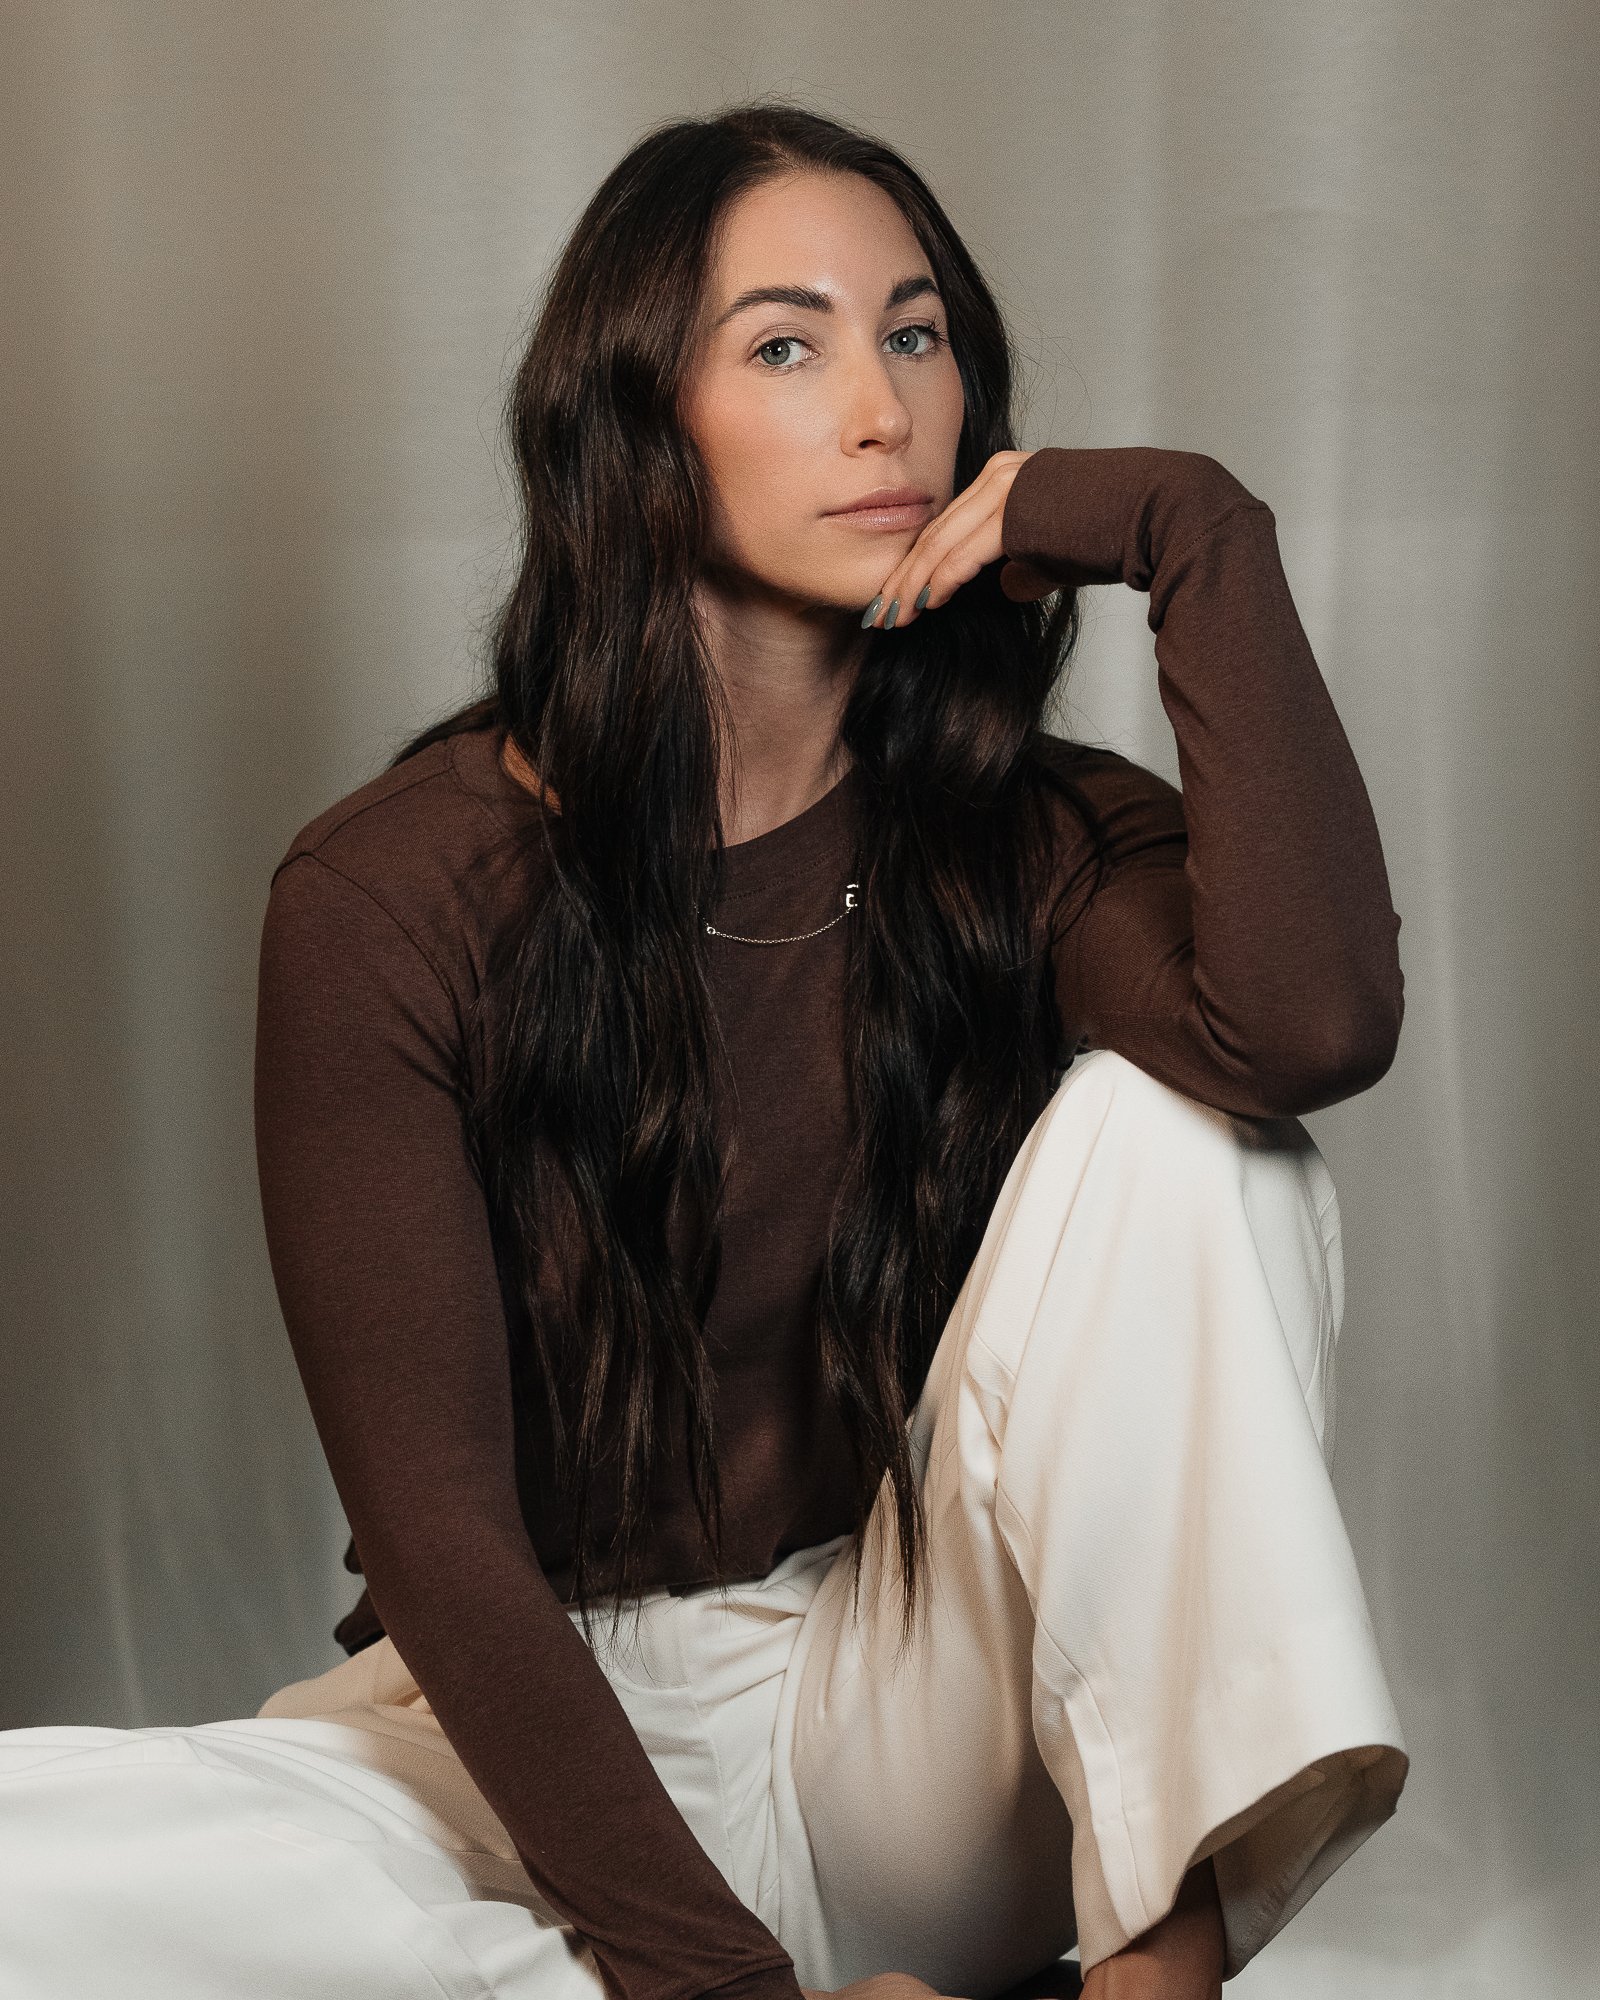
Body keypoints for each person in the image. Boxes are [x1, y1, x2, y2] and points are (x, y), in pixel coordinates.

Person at [0, 100, 1409, 2000]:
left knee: (1194, 1138)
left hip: (895, 1727)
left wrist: (1192, 528)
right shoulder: (392, 894)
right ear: (636, 427)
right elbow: (439, 1542)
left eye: (915, 333)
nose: (881, 407)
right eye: (785, 342)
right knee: (40, 1880)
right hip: (510, 1753)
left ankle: (1149, 1976)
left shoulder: (1032, 834)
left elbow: (1306, 1029)